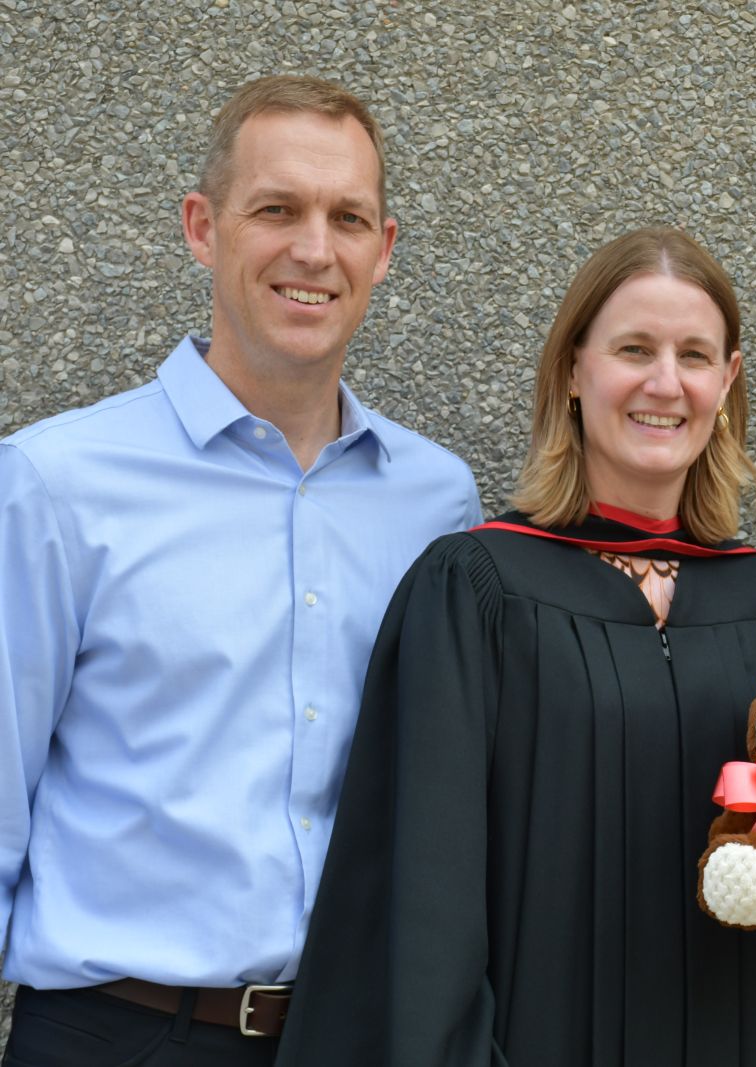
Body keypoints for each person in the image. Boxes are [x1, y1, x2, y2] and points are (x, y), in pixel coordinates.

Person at [0, 76, 480, 1066]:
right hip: (116, 1032)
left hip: (353, 1032)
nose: (314, 248)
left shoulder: (437, 502)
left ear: (383, 250)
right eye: (276, 209)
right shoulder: (56, 482)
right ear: (202, 228)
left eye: (347, 216)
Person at [275, 227, 756, 1066]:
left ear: (728, 381)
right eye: (633, 349)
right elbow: (427, 894)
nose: (664, 382)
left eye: (695, 355)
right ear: (574, 369)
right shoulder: (476, 588)